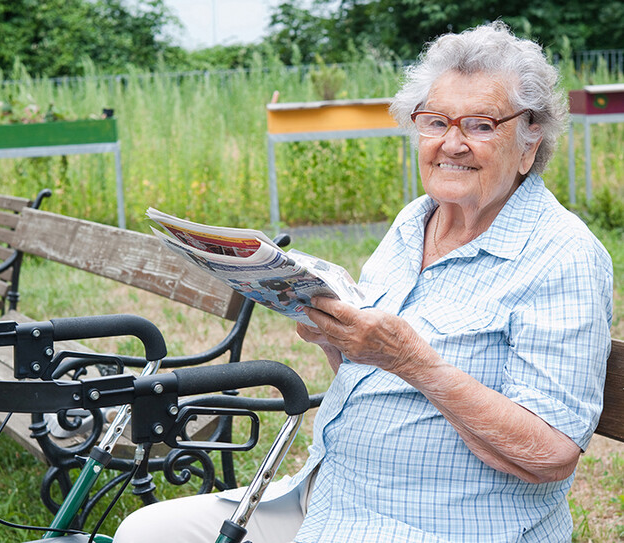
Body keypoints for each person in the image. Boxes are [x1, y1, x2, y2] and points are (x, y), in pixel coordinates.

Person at [114, 22, 613, 542]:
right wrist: (338, 338)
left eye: (481, 126)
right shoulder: (414, 221)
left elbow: (551, 453)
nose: (451, 144)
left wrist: (412, 361)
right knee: (145, 531)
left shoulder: (562, 256)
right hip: (328, 495)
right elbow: (367, 371)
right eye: (435, 121)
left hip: (433, 525)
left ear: (530, 142)